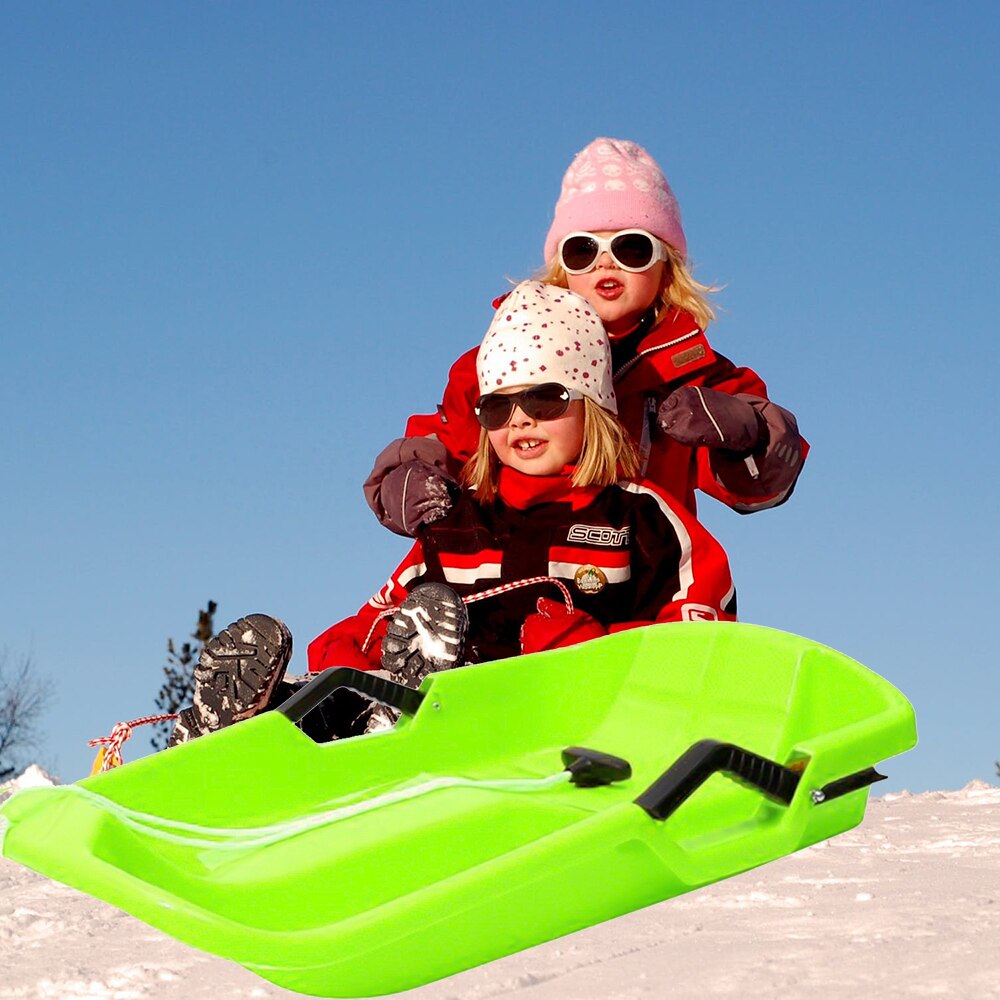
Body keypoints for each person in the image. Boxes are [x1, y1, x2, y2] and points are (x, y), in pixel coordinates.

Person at [169, 281, 737, 746]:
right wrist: (345, 657)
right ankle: (252, 729)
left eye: (544, 399)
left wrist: (585, 649)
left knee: (439, 695)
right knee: (347, 687)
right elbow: (377, 617)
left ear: (594, 407)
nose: (519, 420)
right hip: (436, 713)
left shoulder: (641, 521)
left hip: (570, 719)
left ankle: (390, 718)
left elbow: (699, 640)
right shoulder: (458, 524)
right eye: (498, 406)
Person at [364, 138, 806, 542]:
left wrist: (745, 434)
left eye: (632, 248)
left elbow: (760, 487)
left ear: (666, 265)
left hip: (646, 571)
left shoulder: (695, 374)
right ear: (563, 266)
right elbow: (451, 438)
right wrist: (408, 476)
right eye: (583, 249)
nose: (605, 264)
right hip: (523, 562)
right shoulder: (507, 360)